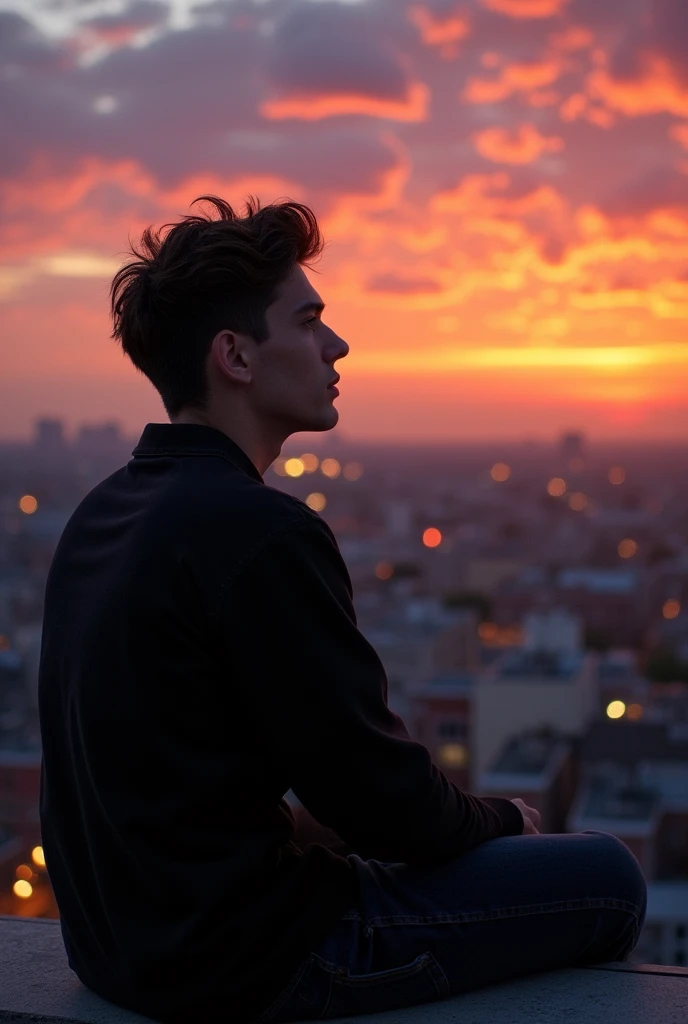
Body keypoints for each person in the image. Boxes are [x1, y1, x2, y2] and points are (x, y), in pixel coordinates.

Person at [38, 195, 647, 1024]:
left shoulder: (104, 511)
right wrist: (503, 817)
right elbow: (377, 799)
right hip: (253, 960)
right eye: (310, 321)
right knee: (609, 878)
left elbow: (183, 778)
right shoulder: (257, 530)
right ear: (236, 358)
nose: (338, 344)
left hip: (116, 951)